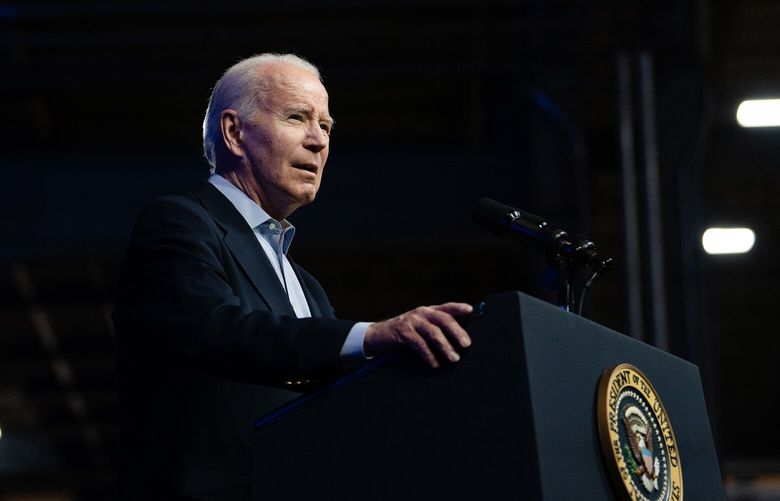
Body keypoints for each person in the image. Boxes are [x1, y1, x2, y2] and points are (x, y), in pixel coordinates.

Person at [113, 53, 472, 500]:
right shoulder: (181, 221)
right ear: (234, 132)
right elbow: (214, 329)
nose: (318, 141)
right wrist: (371, 336)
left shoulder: (308, 288)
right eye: (298, 117)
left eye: (326, 126)